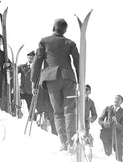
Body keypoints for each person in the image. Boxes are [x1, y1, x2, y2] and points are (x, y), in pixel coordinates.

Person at [31, 18, 80, 151]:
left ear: (53, 28)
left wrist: (34, 81)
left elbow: (37, 62)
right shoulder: (70, 43)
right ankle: (71, 142)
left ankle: (63, 142)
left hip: (51, 79)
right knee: (69, 110)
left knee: (58, 112)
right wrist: (81, 81)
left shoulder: (44, 41)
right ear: (65, 30)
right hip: (68, 78)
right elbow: (78, 62)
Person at [100, 95, 123, 161]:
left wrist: (117, 123)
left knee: (119, 156)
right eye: (115, 99)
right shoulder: (108, 108)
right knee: (108, 153)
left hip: (117, 137)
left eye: (118, 99)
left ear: (121, 102)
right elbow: (100, 119)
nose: (116, 100)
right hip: (106, 135)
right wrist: (104, 124)